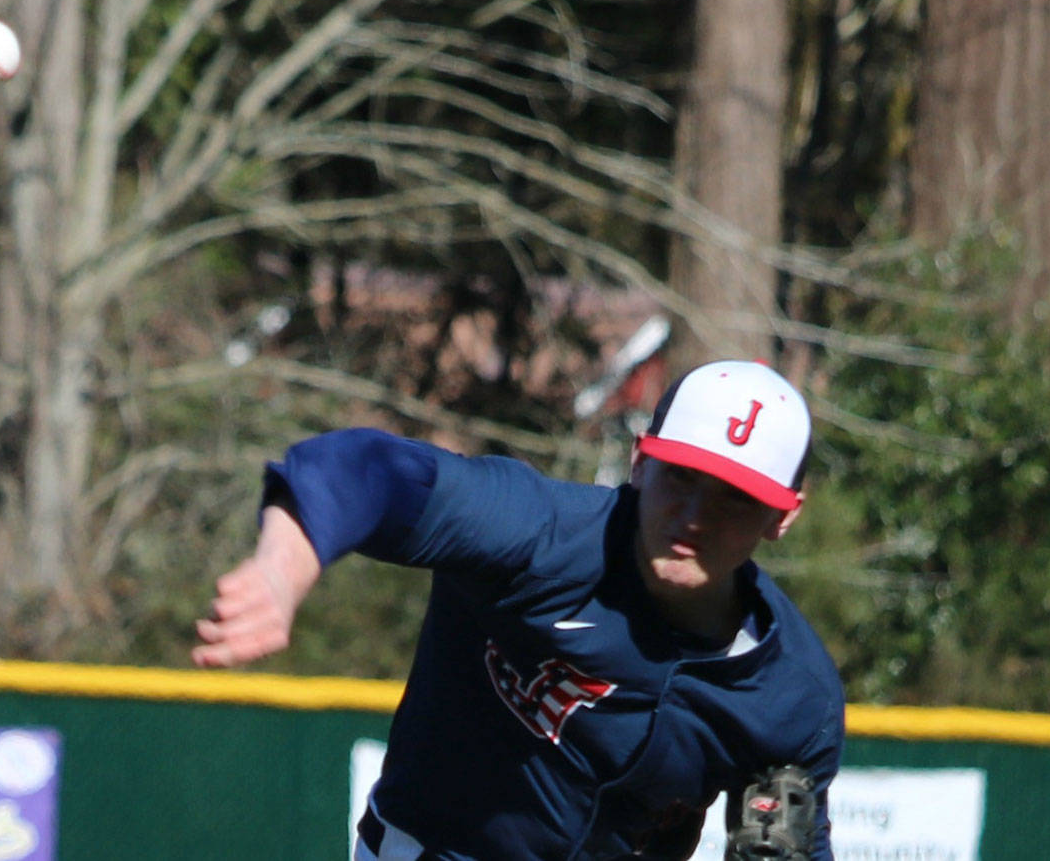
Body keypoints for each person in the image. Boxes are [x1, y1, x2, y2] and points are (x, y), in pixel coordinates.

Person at [193, 359, 844, 860]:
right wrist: (282, 569)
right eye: (682, 476)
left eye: (733, 497)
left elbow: (804, 842)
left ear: (782, 516)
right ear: (642, 463)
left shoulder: (792, 696)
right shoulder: (537, 538)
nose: (695, 517)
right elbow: (370, 470)